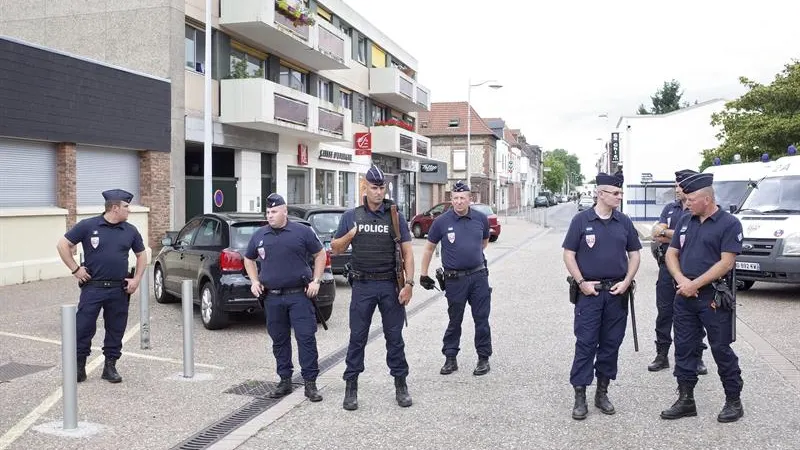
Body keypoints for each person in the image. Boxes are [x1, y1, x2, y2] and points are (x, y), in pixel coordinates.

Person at [660, 172, 745, 423]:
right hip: (685, 296)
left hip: (713, 297)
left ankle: (733, 400)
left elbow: (726, 263)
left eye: (690, 200)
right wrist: (683, 281)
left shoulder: (729, 224)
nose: (685, 204)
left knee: (720, 348)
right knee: (685, 348)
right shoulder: (686, 221)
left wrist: (694, 284)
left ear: (706, 199)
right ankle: (686, 400)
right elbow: (671, 254)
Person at [331, 165, 415, 411]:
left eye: (381, 188)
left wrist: (409, 284)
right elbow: (335, 248)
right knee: (357, 338)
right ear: (364, 188)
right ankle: (351, 387)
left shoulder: (395, 216)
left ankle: (401, 385)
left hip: (390, 284)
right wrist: (350, 236)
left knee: (395, 338)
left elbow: (407, 253)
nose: (378, 192)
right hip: (363, 285)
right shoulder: (351, 216)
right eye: (373, 187)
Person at [562, 173, 641, 420]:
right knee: (585, 343)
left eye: (620, 193)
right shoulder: (581, 220)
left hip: (617, 293)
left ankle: (602, 392)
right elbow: (568, 254)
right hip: (590, 293)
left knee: (611, 345)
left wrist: (627, 281)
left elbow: (636, 254)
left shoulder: (624, 222)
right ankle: (580, 396)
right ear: (600, 194)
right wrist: (581, 282)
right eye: (615, 193)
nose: (619, 196)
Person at [56, 189, 147, 383]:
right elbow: (62, 245)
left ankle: (110, 367)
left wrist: (137, 279)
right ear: (115, 208)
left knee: (116, 328)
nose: (129, 210)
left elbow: (142, 255)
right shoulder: (88, 226)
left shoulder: (130, 230)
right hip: (93, 287)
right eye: (126, 206)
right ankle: (79, 367)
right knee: (83, 327)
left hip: (118, 289)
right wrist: (75, 269)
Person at [243, 193, 327, 402]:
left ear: (285, 211)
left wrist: (316, 280)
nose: (270, 215)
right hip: (272, 298)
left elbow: (320, 255)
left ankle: (310, 384)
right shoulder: (260, 235)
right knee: (279, 341)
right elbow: (248, 258)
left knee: (306, 339)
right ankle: (284, 380)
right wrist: (254, 281)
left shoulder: (302, 231)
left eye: (274, 211)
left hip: (299, 295)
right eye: (268, 212)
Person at [419, 180, 492, 376]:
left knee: (481, 319)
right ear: (451, 200)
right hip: (454, 280)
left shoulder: (480, 219)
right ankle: (450, 358)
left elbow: (484, 243)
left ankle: (483, 359)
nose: (459, 201)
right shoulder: (441, 222)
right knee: (454, 320)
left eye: (463, 198)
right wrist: (423, 274)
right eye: (456, 198)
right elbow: (428, 248)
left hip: (478, 277)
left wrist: (469, 256)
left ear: (470, 199)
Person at [649, 170, 708, 374]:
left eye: (679, 185)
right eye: (675, 185)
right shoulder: (670, 208)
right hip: (668, 267)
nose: (676, 189)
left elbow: (695, 235)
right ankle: (662, 355)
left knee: (695, 314)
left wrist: (667, 233)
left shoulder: (697, 210)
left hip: (692, 269)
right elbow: (656, 233)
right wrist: (671, 234)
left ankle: (697, 357)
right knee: (664, 312)